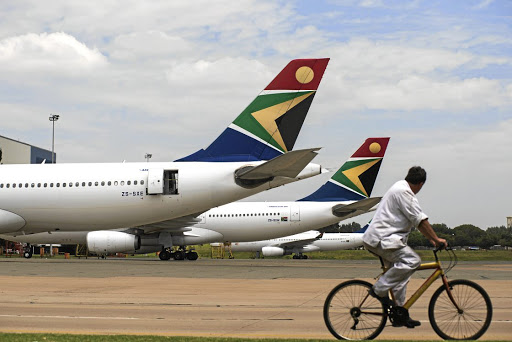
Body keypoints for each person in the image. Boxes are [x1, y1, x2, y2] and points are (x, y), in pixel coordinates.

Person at [363, 166, 447, 328]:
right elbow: (420, 220)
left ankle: (400, 313)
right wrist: (436, 239)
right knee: (412, 261)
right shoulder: (404, 192)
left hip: (384, 239)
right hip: (383, 239)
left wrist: (431, 239)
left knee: (400, 277)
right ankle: (379, 289)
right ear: (421, 183)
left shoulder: (399, 188)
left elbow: (417, 223)